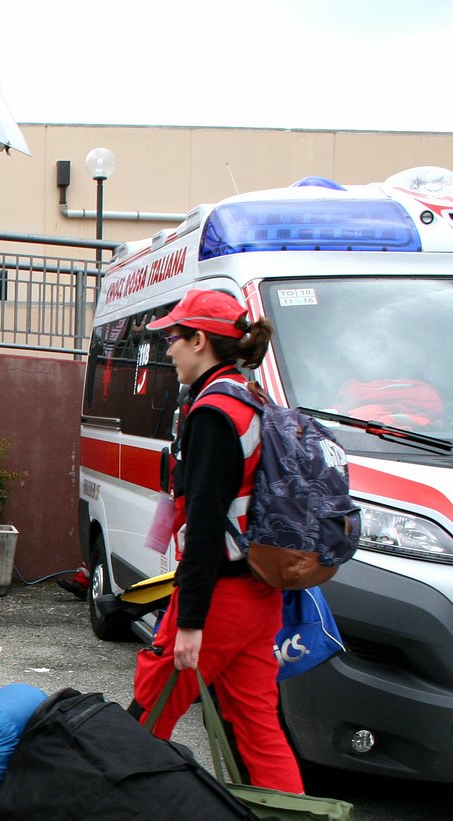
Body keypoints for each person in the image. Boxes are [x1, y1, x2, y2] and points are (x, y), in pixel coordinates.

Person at [128, 289, 305, 794]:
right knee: (258, 728)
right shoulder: (253, 400)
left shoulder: (212, 413)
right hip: (260, 594)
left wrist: (189, 623)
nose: (168, 350)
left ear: (200, 340)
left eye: (174, 338)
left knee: (146, 716)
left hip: (219, 599)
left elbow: (204, 525)